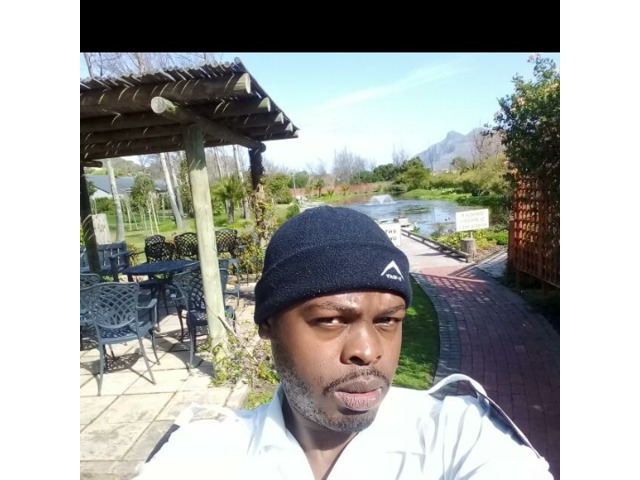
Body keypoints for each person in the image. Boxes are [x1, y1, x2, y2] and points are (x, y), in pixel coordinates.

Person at [135, 206, 553, 479]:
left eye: (388, 320)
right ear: (268, 325)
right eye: (330, 320)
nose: (368, 351)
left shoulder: (454, 433)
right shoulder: (207, 451)